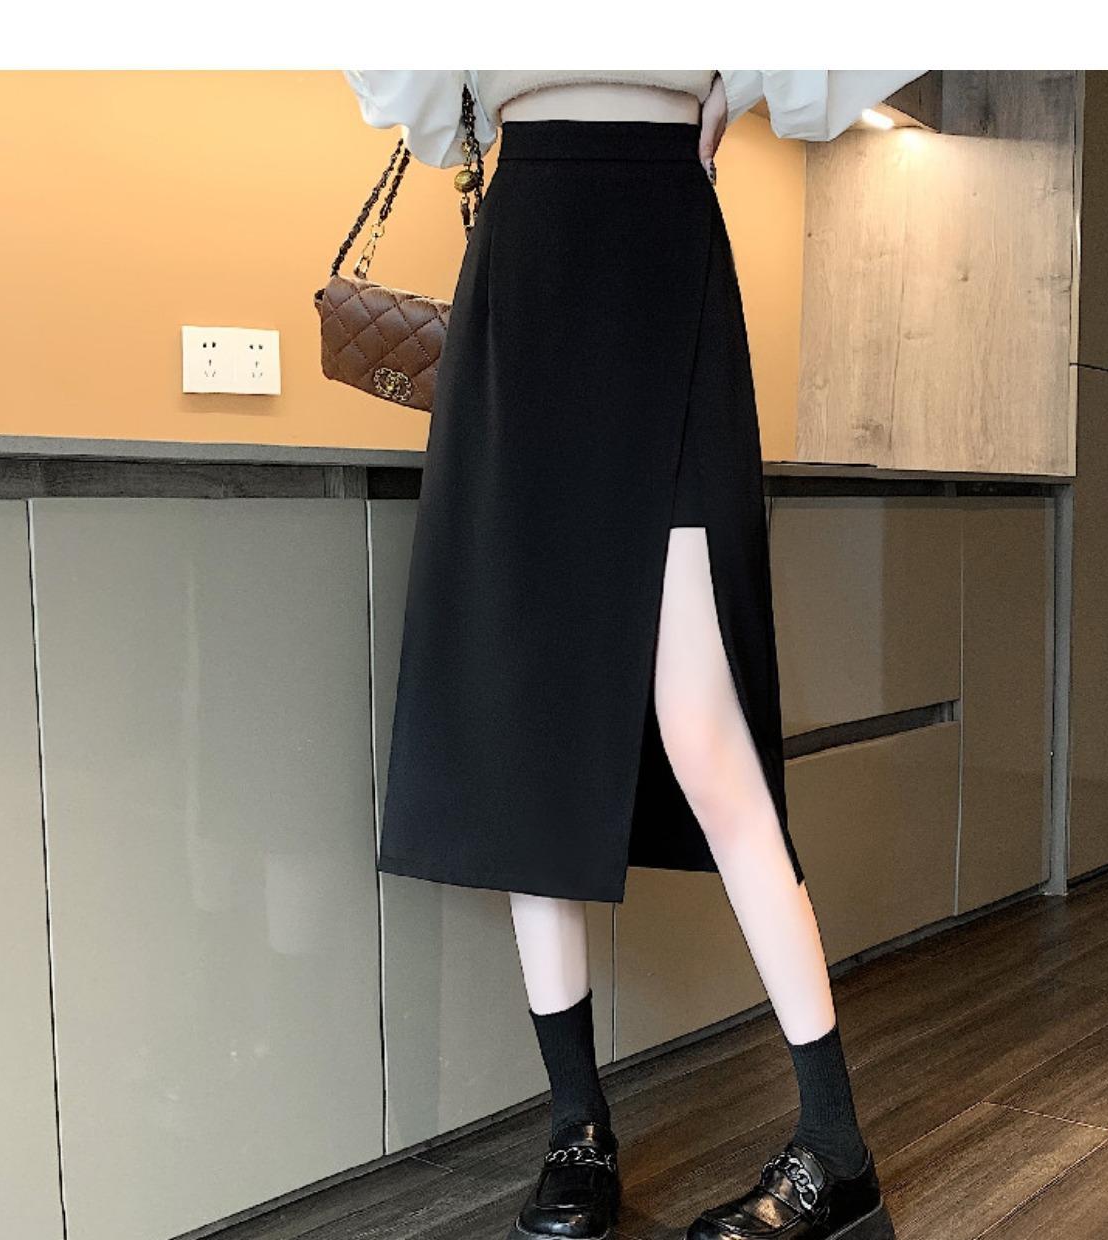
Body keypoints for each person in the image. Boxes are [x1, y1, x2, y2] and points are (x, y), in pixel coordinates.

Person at [342, 69, 922, 1240]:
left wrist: (745, 75)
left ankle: (835, 1141)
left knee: (705, 731)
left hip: (664, 246)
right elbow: (407, 87)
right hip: (526, 261)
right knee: (532, 721)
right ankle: (576, 1125)